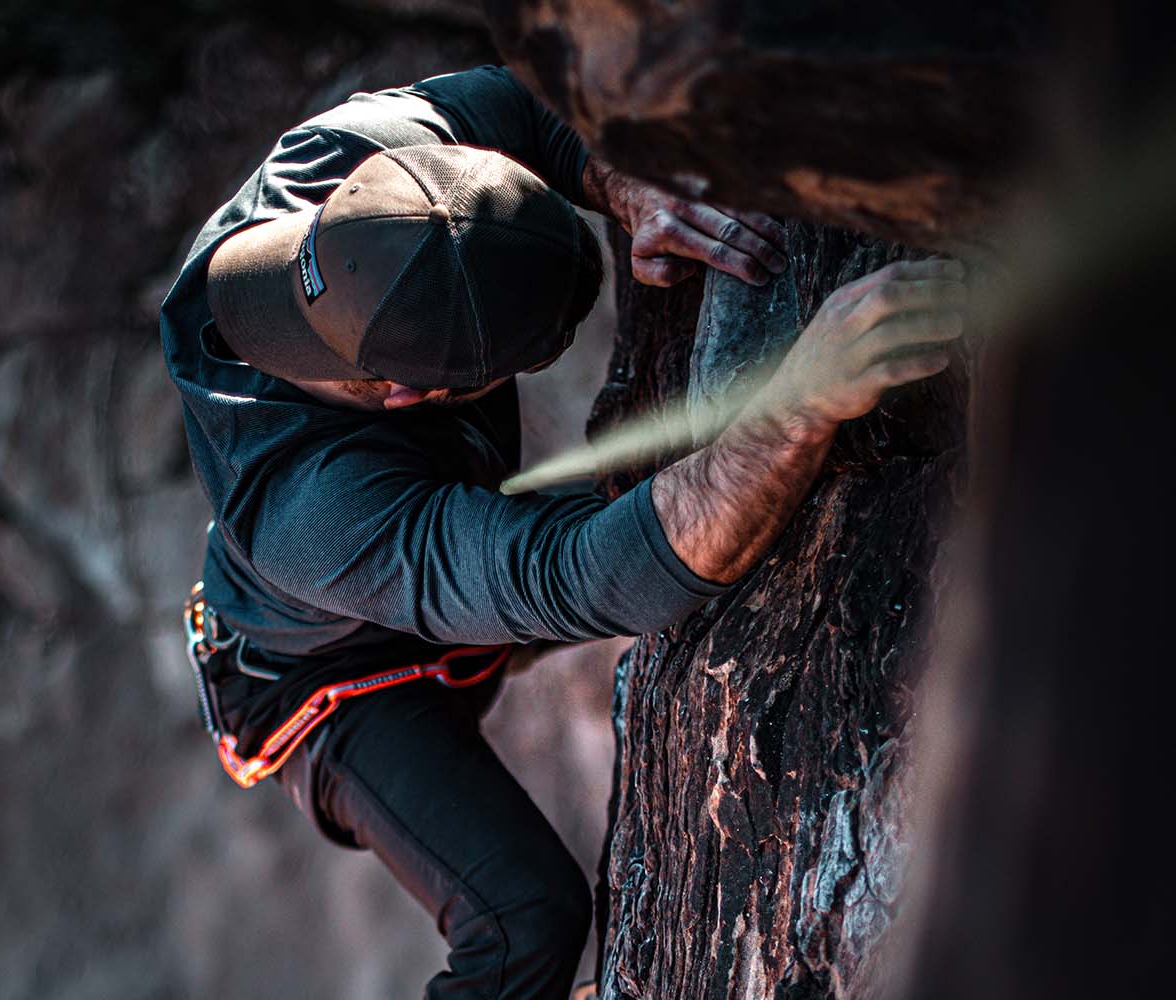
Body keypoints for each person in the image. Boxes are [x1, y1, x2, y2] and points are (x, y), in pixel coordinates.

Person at [159, 66, 965, 1000]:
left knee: (641, 504)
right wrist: (797, 407)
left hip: (424, 555)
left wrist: (626, 185)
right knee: (523, 922)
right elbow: (581, 576)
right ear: (416, 395)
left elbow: (519, 104)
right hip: (328, 685)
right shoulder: (312, 512)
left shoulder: (341, 164)